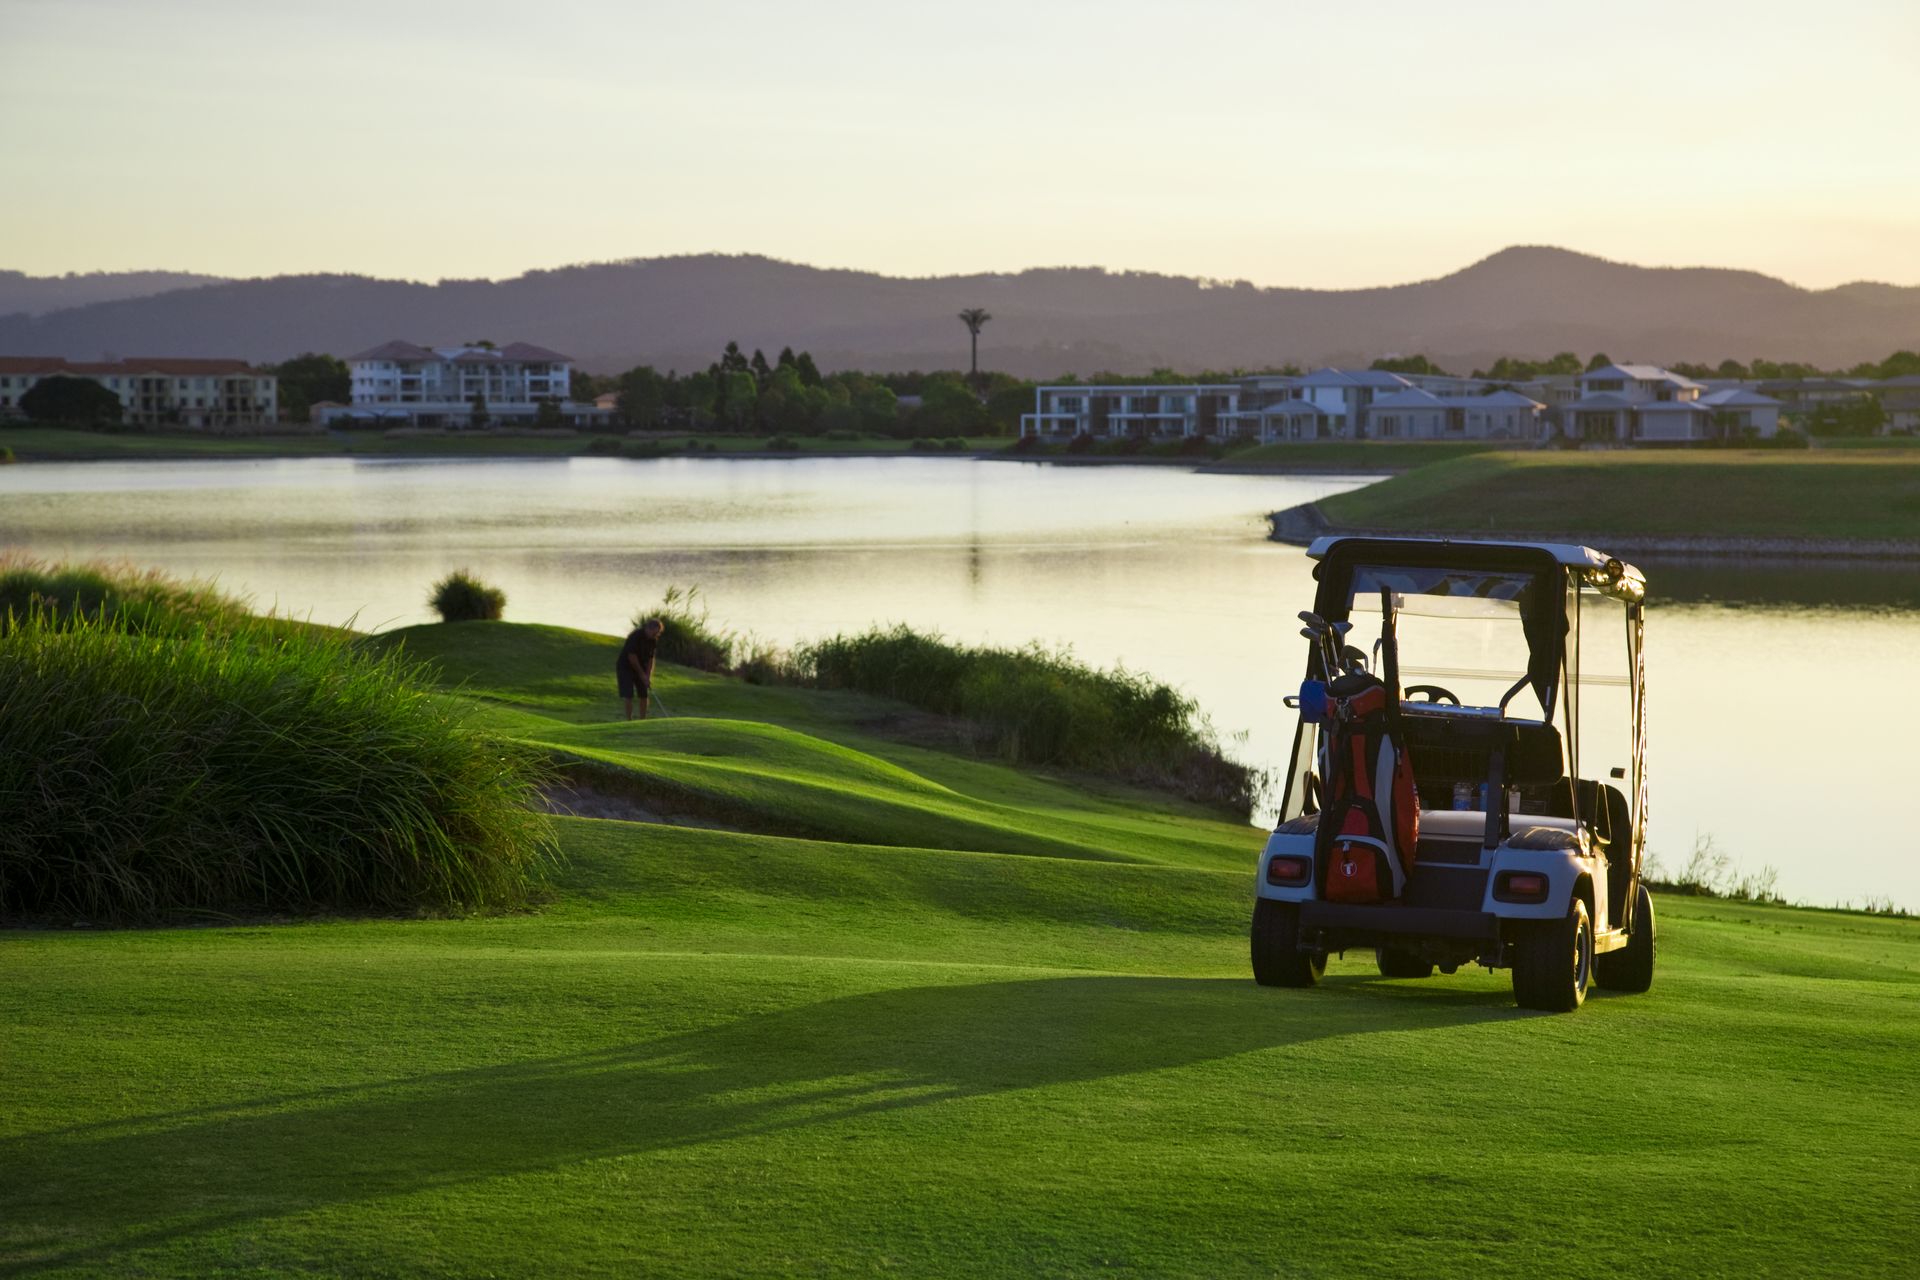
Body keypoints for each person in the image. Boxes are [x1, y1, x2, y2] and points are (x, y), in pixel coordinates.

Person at [618, 618, 664, 720]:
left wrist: (648, 676)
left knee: (644, 694)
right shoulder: (635, 636)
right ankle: (629, 720)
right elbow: (632, 657)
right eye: (654, 633)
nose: (655, 635)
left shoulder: (653, 640)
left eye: (657, 633)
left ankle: (642, 721)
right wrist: (641, 674)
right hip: (625, 666)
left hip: (641, 666)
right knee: (628, 694)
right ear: (648, 629)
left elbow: (651, 659)